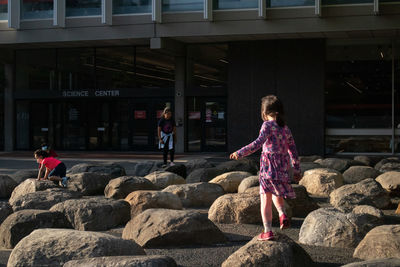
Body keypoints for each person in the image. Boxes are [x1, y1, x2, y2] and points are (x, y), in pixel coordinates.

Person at [230, 95, 301, 241]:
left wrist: (240, 152)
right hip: (282, 167)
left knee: (265, 199)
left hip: (268, 167)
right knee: (277, 194)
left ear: (264, 112)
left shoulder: (267, 126)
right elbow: (293, 150)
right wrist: (296, 169)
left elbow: (258, 143)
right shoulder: (285, 128)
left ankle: (267, 231)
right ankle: (282, 214)